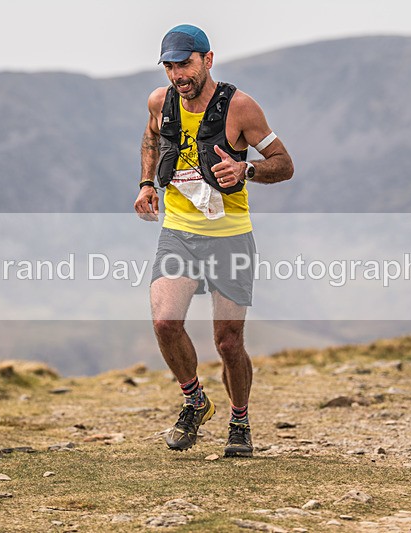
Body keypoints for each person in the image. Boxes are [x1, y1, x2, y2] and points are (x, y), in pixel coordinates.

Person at [134, 24, 293, 457]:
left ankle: (239, 421)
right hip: (179, 235)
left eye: (184, 64)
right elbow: (151, 136)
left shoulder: (240, 108)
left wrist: (249, 171)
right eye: (169, 66)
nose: (176, 75)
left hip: (229, 239)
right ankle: (194, 401)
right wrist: (147, 183)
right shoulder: (160, 101)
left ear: (207, 59)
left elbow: (284, 163)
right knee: (166, 323)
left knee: (227, 341)